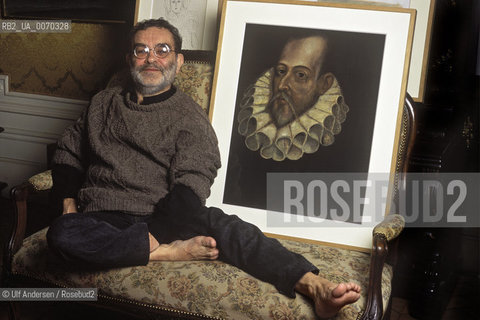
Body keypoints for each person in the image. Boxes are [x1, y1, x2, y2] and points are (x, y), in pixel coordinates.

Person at [46, 18, 361, 319]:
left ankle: (315, 286)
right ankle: (168, 254)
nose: (150, 58)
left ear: (179, 61)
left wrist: (155, 234)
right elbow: (67, 151)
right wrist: (69, 204)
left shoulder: (190, 119)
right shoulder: (103, 103)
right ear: (130, 59)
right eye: (141, 50)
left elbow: (191, 186)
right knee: (61, 234)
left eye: (162, 50)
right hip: (103, 216)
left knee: (234, 230)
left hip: (166, 215)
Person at [237, 33, 349, 161]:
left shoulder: (338, 155)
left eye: (300, 75)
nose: (282, 85)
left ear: (324, 84)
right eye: (281, 71)